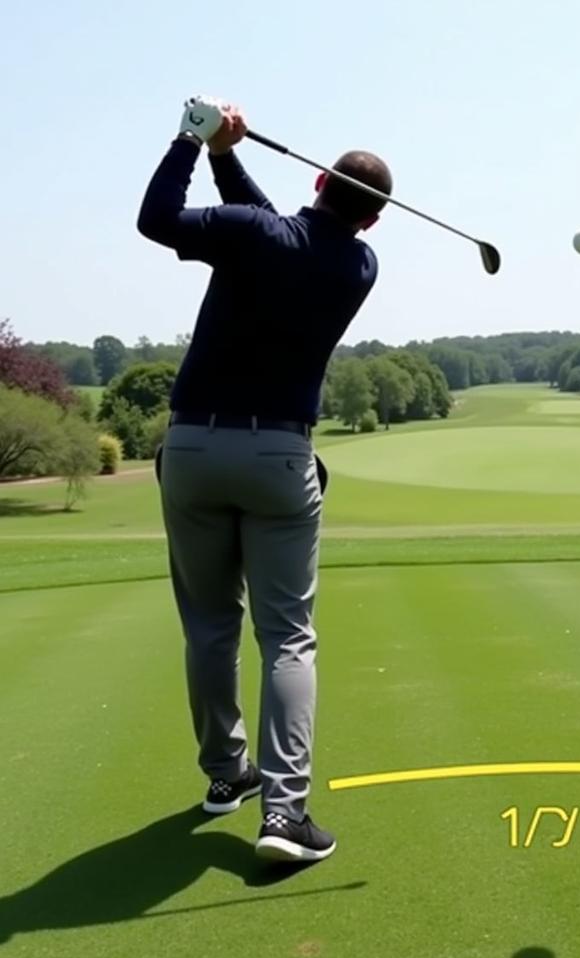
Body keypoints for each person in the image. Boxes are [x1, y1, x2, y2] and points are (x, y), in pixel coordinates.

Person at [137, 96, 392, 863]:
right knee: (288, 637)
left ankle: (225, 777)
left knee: (210, 627)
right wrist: (223, 155)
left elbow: (159, 220)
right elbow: (276, 231)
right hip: (282, 458)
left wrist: (192, 139)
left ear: (316, 183)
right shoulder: (358, 264)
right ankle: (283, 815)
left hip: (190, 449)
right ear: (372, 220)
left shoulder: (258, 236)